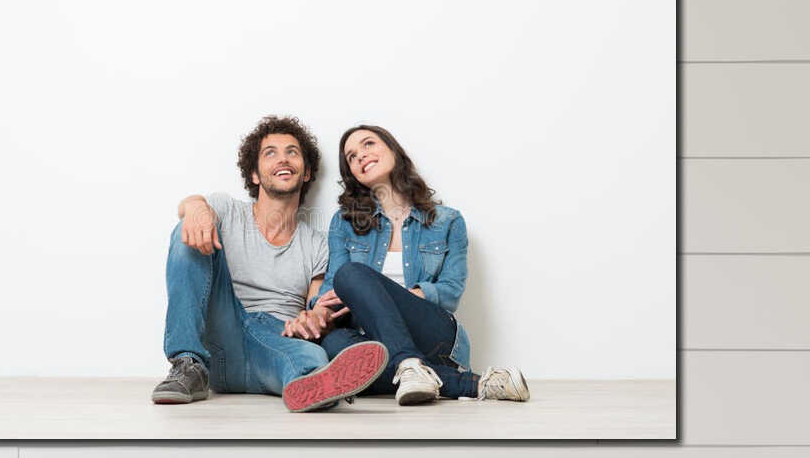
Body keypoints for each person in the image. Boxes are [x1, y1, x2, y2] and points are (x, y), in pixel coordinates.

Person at [153, 115, 389, 413]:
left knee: (310, 358)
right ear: (254, 175)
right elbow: (189, 206)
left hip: (275, 343)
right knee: (189, 230)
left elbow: (316, 305)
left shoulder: (318, 243)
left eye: (292, 152)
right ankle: (186, 363)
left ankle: (313, 384)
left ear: (306, 173)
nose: (283, 159)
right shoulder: (226, 209)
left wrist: (315, 318)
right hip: (220, 337)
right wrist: (196, 206)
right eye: (271, 153)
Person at [313, 124, 530, 406]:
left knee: (353, 274)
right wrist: (318, 308)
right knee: (336, 347)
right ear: (352, 173)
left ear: (393, 150)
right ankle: (471, 383)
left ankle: (409, 363)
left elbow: (450, 292)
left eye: (368, 144)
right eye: (351, 157)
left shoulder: (447, 221)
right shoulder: (343, 223)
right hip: (370, 341)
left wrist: (390, 296)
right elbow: (334, 286)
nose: (361, 156)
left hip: (433, 334)